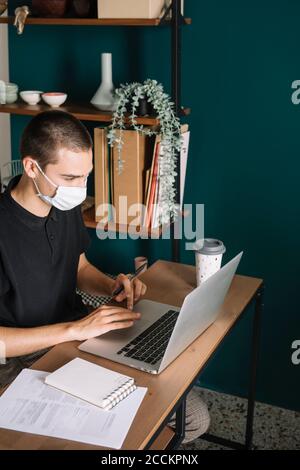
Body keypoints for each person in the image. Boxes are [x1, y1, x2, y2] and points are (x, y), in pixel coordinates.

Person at [0, 111, 210, 444]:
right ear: (31, 168)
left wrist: (110, 283)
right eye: (70, 178)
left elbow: (79, 267)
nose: (79, 189)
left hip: (78, 336)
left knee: (193, 419)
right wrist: (74, 329)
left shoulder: (63, 206)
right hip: (21, 359)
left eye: (85, 177)